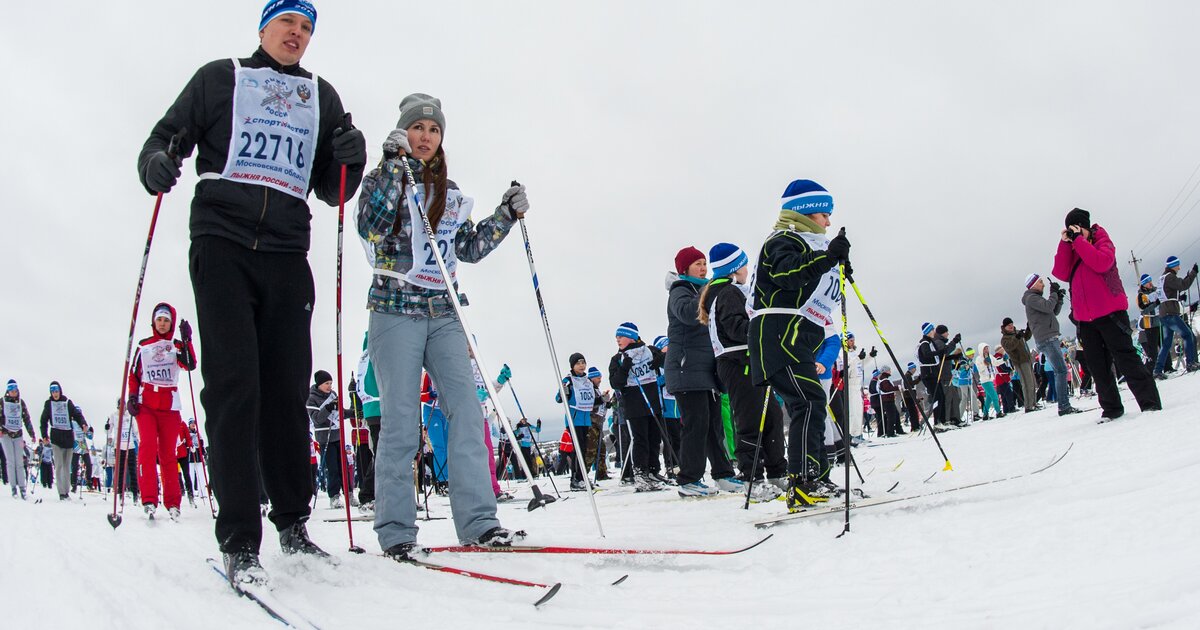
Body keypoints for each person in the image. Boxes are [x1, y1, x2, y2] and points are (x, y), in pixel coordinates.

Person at [138, 0, 367, 581]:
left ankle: (293, 521)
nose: (298, 34)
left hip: (288, 251)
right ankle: (240, 536)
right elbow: (166, 139)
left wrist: (351, 161)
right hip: (223, 241)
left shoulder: (322, 95)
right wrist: (158, 163)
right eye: (289, 23)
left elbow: (333, 190)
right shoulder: (221, 77)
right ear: (264, 27)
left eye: (308, 27)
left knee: (288, 387)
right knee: (235, 385)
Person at [357, 92, 527, 561]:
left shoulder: (449, 193)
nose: (426, 136)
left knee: (468, 411)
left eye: (433, 130)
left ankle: (479, 522)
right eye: (417, 128)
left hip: (444, 312)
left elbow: (468, 248)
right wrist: (392, 166)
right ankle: (395, 530)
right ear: (403, 133)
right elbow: (370, 226)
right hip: (395, 310)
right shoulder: (384, 176)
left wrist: (505, 215)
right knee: (400, 419)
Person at [748, 179, 852, 512]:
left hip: (794, 337)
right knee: (809, 401)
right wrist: (826, 260)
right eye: (824, 214)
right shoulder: (783, 241)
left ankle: (814, 477)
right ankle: (804, 481)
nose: (828, 222)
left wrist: (834, 263)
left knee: (808, 403)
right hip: (779, 336)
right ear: (807, 212)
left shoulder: (804, 243)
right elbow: (787, 275)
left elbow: (809, 279)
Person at [1051, 208, 1160, 420]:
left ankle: (1150, 404)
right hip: (1086, 319)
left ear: (1085, 226)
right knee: (1098, 367)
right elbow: (1061, 272)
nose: (1074, 232)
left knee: (1126, 359)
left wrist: (1080, 241)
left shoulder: (1102, 240)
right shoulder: (1073, 248)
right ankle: (1111, 409)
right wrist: (1065, 244)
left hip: (1110, 313)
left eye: (1076, 227)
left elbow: (1102, 263)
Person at [699, 243, 787, 500]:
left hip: (749, 360)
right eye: (745, 264)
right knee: (750, 421)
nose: (748, 269)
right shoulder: (726, 292)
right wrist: (765, 326)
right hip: (737, 361)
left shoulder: (732, 291)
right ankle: (752, 478)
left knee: (771, 416)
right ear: (735, 268)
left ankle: (776, 471)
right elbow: (736, 327)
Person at [666, 247, 741, 498]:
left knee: (714, 427)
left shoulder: (703, 289)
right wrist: (711, 291)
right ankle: (689, 478)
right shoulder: (680, 290)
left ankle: (723, 474)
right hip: (686, 370)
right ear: (684, 269)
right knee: (696, 426)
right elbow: (688, 314)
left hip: (706, 371)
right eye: (697, 263)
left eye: (704, 263)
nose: (703, 267)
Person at [127, 303, 197, 519]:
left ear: (171, 323)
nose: (163, 323)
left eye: (167, 320)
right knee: (147, 448)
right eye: (160, 319)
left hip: (169, 406)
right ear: (154, 322)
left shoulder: (176, 346)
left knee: (168, 454)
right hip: (146, 405)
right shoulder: (144, 347)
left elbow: (190, 364)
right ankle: (148, 498)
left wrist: (187, 341)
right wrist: (131, 396)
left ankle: (173, 502)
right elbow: (133, 375)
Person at [608, 323, 667, 492]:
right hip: (634, 404)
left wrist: (659, 361)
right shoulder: (618, 359)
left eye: (621, 336)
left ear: (632, 337)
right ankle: (640, 472)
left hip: (653, 401)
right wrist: (625, 367)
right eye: (616, 337)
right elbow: (615, 383)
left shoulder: (649, 350)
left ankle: (654, 470)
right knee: (640, 439)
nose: (618, 340)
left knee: (655, 438)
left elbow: (666, 360)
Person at [1021, 274, 1082, 415]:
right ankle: (1064, 406)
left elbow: (1053, 311)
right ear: (1033, 284)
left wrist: (1058, 298)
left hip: (1050, 337)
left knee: (1060, 371)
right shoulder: (1031, 298)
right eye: (1040, 282)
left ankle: (1064, 405)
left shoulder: (1036, 298)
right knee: (1060, 371)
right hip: (1047, 338)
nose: (1043, 284)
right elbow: (1048, 307)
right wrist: (1053, 293)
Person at [555, 353, 595, 491]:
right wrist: (564, 392)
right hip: (574, 419)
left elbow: (594, 398)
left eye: (583, 362)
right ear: (572, 366)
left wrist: (604, 399)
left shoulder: (587, 381)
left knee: (584, 450)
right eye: (578, 363)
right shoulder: (569, 380)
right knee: (579, 450)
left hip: (585, 420)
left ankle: (581, 476)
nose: (581, 365)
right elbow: (558, 398)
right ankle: (576, 479)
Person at [1153, 256, 1198, 377]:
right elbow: (1183, 285)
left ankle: (1157, 370)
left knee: (1167, 343)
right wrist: (1193, 273)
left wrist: (1179, 298)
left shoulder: (1162, 278)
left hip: (1164, 313)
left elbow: (1167, 293)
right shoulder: (1170, 277)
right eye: (1178, 265)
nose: (1179, 267)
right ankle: (1190, 363)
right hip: (1170, 313)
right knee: (1187, 334)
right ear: (1173, 265)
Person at [39, 382, 85, 500]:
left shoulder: (67, 402)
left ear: (60, 391)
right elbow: (43, 420)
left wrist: (83, 424)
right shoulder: (49, 404)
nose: (55, 394)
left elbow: (77, 414)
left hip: (68, 439)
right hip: (56, 439)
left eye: (56, 391)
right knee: (59, 466)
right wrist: (44, 436)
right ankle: (61, 493)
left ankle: (66, 491)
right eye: (53, 392)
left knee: (66, 466)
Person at [307, 370, 345, 508]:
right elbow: (317, 419)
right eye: (326, 383)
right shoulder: (312, 398)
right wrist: (328, 408)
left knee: (343, 466)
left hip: (337, 434)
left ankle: (349, 492)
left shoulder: (333, 395)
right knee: (332, 468)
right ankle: (334, 496)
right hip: (325, 437)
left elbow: (340, 412)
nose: (329, 386)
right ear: (319, 384)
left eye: (331, 383)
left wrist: (352, 413)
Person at [353, 333, 382, 511]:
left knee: (395, 454)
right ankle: (367, 495)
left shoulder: (370, 353)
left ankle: (397, 495)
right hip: (378, 408)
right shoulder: (371, 354)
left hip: (384, 407)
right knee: (383, 454)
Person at [2, 380, 35, 500]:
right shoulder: (3, 402)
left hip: (18, 435)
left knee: (20, 462)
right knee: (11, 462)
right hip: (6, 434)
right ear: (8, 391)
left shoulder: (21, 403)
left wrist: (32, 433)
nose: (13, 392)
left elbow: (26, 418)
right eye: (11, 391)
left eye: (15, 390)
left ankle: (22, 487)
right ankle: (13, 488)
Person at [999, 318, 1039, 413]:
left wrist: (1028, 329)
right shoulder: (1005, 339)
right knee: (1026, 383)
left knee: (1032, 382)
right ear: (1005, 327)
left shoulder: (1016, 332)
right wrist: (1017, 337)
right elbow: (1010, 346)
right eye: (1009, 325)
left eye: (1012, 324)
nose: (1011, 326)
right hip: (1020, 361)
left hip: (1027, 359)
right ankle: (1028, 405)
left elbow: (1026, 337)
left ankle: (1033, 403)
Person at [107, 400, 140, 501]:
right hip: (119, 446)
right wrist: (107, 429)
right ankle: (120, 493)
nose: (122, 407)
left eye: (124, 405)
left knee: (132, 470)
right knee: (120, 470)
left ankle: (135, 493)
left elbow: (136, 430)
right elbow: (109, 429)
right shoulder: (114, 416)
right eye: (120, 405)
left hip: (129, 445)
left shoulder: (130, 416)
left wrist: (139, 441)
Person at [585, 367, 612, 481]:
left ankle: (601, 473)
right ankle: (582, 475)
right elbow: (590, 404)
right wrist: (602, 400)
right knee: (591, 449)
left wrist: (607, 403)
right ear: (592, 378)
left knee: (602, 449)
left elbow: (600, 404)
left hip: (599, 423)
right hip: (592, 423)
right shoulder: (589, 389)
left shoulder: (597, 390)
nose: (600, 379)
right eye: (598, 377)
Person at [1136, 274, 1163, 372]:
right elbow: (1143, 310)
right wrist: (1155, 304)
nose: (1150, 283)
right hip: (1150, 325)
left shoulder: (1156, 290)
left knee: (1164, 346)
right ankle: (1150, 370)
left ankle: (1168, 367)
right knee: (1153, 351)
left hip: (1160, 321)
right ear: (1143, 284)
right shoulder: (1141, 295)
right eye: (1148, 282)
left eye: (1150, 281)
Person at [975, 344, 1003, 420]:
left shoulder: (990, 356)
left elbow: (995, 363)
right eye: (985, 349)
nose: (986, 350)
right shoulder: (978, 359)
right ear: (981, 350)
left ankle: (985, 414)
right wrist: (985, 363)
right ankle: (998, 412)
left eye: (987, 348)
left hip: (990, 379)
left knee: (989, 398)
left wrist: (1003, 360)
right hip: (985, 381)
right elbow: (980, 369)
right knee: (994, 396)